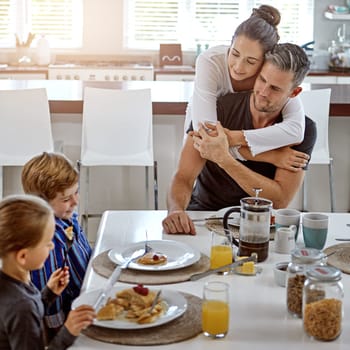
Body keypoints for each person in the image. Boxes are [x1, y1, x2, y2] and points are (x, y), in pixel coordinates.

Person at [163, 43, 316, 235]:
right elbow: (183, 177)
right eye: (262, 80)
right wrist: (176, 210)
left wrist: (224, 159)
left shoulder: (304, 130)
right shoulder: (215, 110)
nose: (263, 92)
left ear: (294, 93)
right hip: (203, 215)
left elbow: (280, 199)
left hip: (261, 224)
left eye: (275, 89)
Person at [185, 4, 306, 163]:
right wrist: (272, 157)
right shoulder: (210, 62)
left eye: (251, 61)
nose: (238, 67)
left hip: (242, 140)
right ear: (231, 43)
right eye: (234, 54)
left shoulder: (269, 74)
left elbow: (295, 130)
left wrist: (236, 137)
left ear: (265, 60)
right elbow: (207, 136)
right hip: (206, 141)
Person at [0, 194, 95, 350]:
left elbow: (31, 307)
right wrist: (68, 331)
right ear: (23, 256)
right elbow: (25, 310)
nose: (52, 247)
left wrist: (48, 294)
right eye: (47, 243)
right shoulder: (21, 307)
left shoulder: (13, 279)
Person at [21, 152, 92, 338]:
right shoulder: (48, 238)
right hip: (71, 313)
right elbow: (46, 283)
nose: (75, 201)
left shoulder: (67, 217)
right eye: (66, 199)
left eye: (76, 192)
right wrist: (57, 328)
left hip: (88, 289)